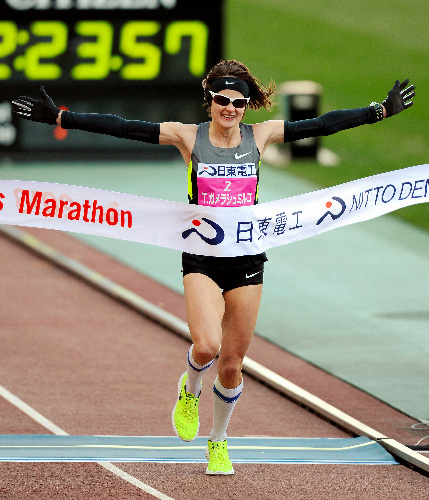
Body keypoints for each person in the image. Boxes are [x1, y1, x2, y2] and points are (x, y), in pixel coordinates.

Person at [12, 60, 415, 475]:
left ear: (246, 105)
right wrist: (61, 118)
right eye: (223, 100)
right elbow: (123, 126)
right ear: (210, 101)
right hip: (202, 258)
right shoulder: (189, 137)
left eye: (238, 103)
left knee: (232, 365)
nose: (230, 109)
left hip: (247, 259)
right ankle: (190, 391)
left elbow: (323, 125)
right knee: (206, 346)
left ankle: (218, 441)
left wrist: (379, 111)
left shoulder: (262, 135)